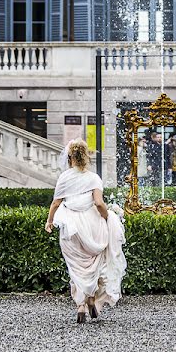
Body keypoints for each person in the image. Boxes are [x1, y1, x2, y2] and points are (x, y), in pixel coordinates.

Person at [45, 139, 126, 324]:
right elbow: (99, 203)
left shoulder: (64, 177)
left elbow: (56, 203)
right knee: (94, 265)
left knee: (76, 268)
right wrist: (107, 217)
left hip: (71, 227)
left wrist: (49, 221)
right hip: (92, 226)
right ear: (86, 155)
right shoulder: (93, 178)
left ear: (70, 157)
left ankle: (80, 305)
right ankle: (91, 300)